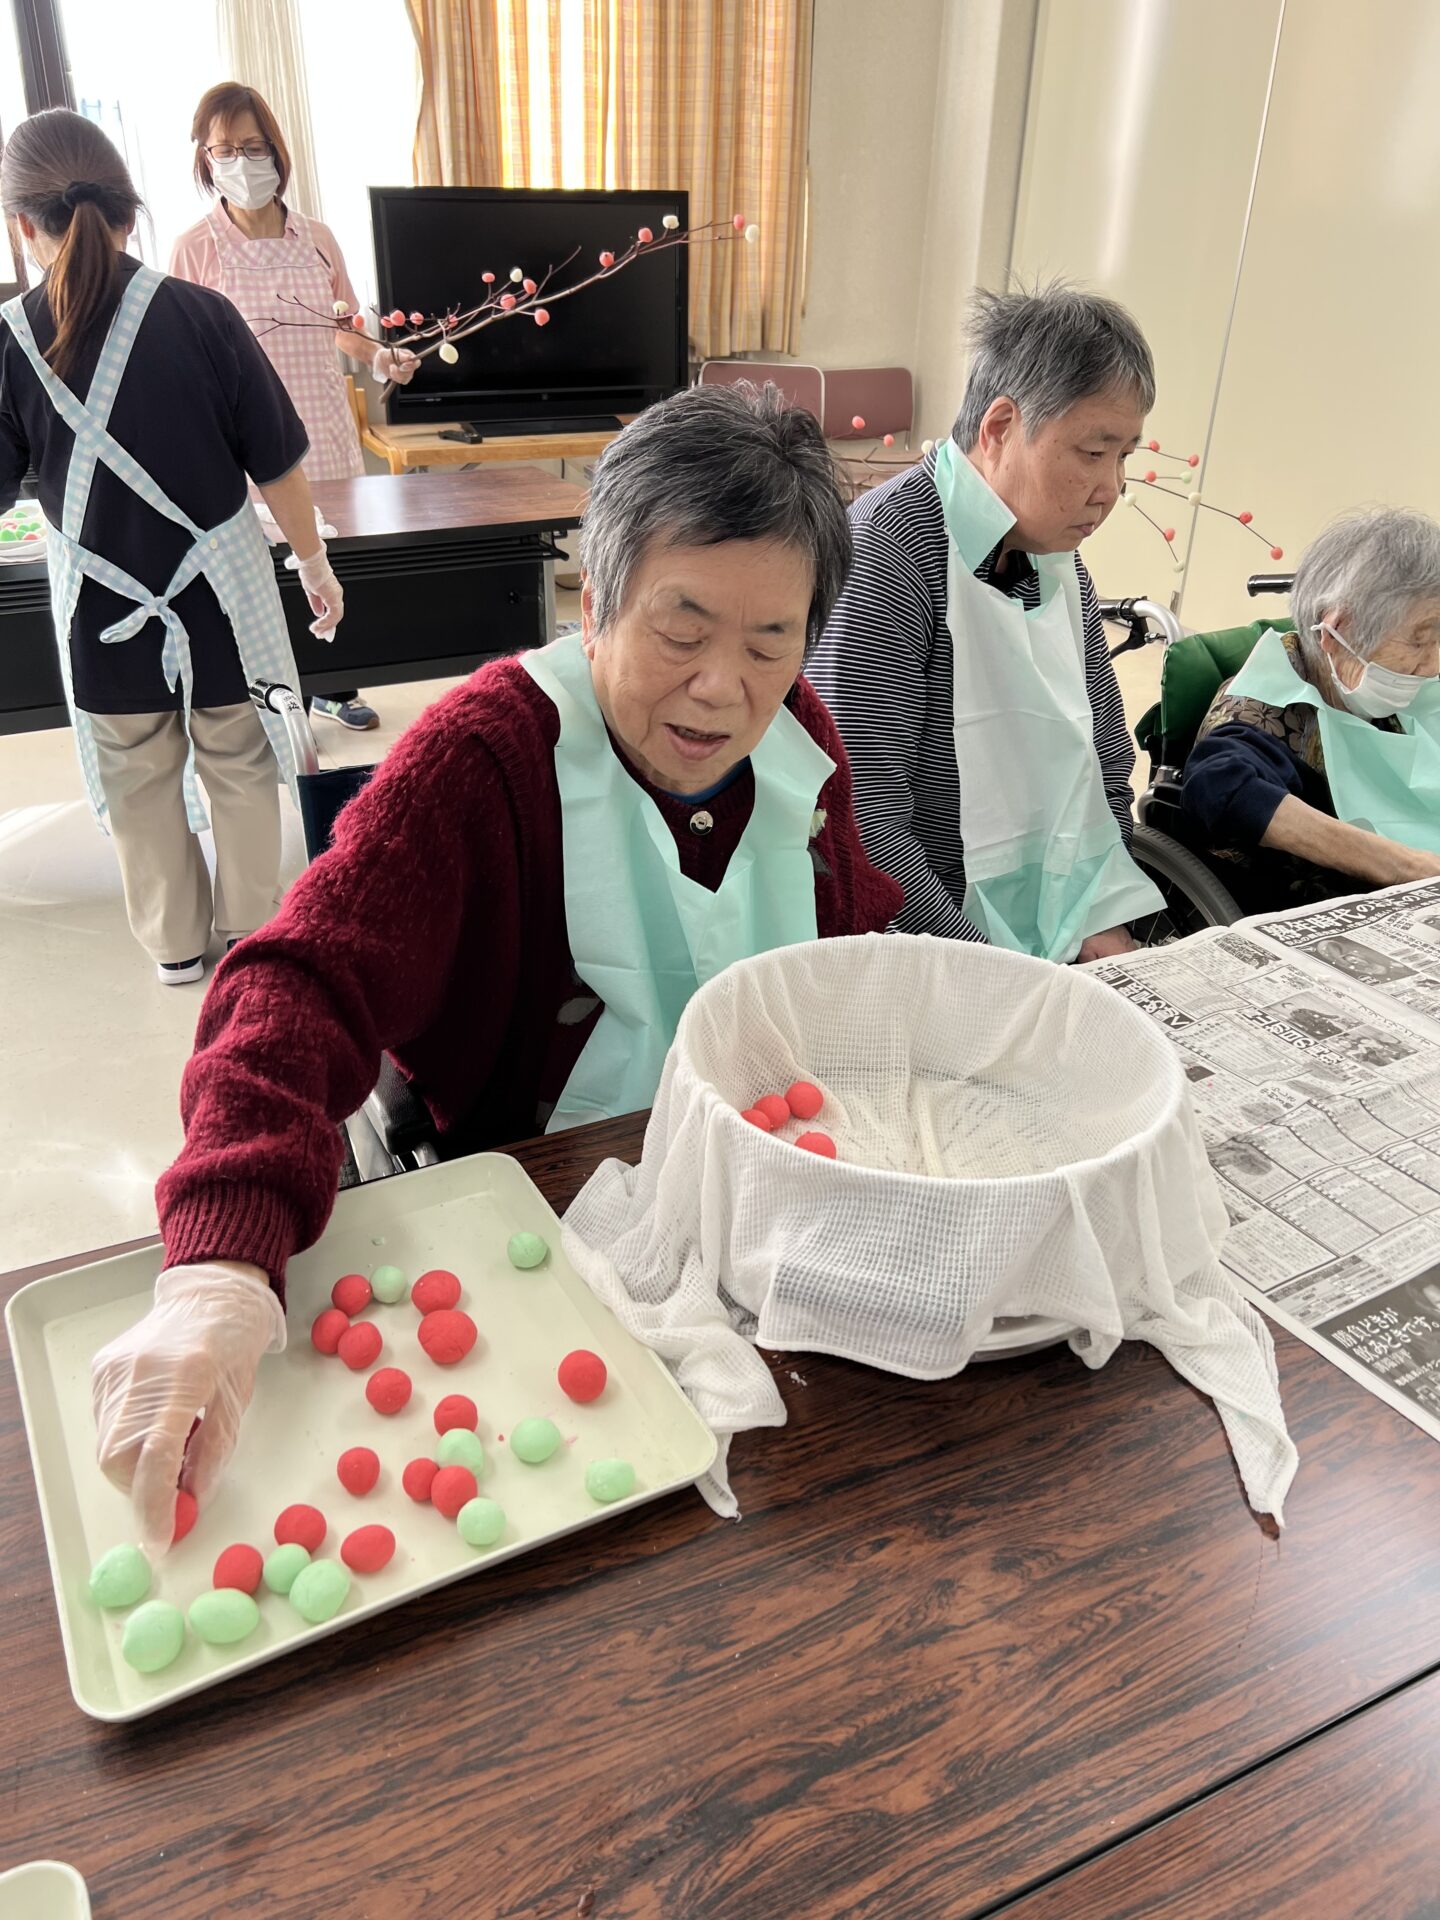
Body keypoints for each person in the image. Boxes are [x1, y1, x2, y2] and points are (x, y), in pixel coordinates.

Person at [89, 381, 904, 1549]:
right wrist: (219, 1261)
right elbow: (296, 984)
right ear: (595, 603)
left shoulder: (800, 739)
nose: (724, 688)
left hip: (763, 1218)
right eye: (681, 633)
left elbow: (847, 945)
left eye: (770, 643)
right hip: (541, 1230)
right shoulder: (485, 759)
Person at [0, 109, 345, 983]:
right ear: (129, 211)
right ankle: (252, 937)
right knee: (238, 762)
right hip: (220, 604)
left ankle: (175, 949)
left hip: (100, 614)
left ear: (22, 224)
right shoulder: (202, 315)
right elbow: (278, 465)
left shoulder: (9, 341)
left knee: (137, 778)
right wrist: (313, 563)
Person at [808, 284, 1162, 965]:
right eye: (1093, 453)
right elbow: (864, 823)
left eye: (1124, 457)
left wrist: (1098, 914)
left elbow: (1106, 761)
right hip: (925, 950)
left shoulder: (1055, 559)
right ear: (1000, 429)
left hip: (1052, 938)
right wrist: (995, 975)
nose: (1111, 488)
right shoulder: (888, 554)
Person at [170, 83, 414, 733]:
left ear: (277, 152)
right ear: (204, 158)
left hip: (322, 430)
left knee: (332, 559)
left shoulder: (318, 237)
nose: (240, 162)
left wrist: (383, 359)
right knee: (262, 568)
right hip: (244, 444)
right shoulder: (195, 247)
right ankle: (273, 694)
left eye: (253, 147)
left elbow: (346, 327)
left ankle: (335, 685)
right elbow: (185, 356)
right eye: (223, 150)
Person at [1182, 509, 1440, 901]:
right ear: (1336, 632)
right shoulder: (1262, 712)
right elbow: (1220, 787)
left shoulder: (1394, 682)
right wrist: (1406, 866)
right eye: (1419, 641)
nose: (1433, 664)